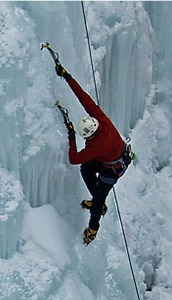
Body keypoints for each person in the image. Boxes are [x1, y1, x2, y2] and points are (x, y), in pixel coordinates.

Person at [55, 61, 132, 245]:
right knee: (86, 169)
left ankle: (93, 229)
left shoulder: (96, 146)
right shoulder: (100, 118)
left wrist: (71, 136)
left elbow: (73, 158)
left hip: (112, 170)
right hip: (111, 158)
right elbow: (84, 98)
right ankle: (98, 199)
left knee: (98, 202)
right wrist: (67, 77)